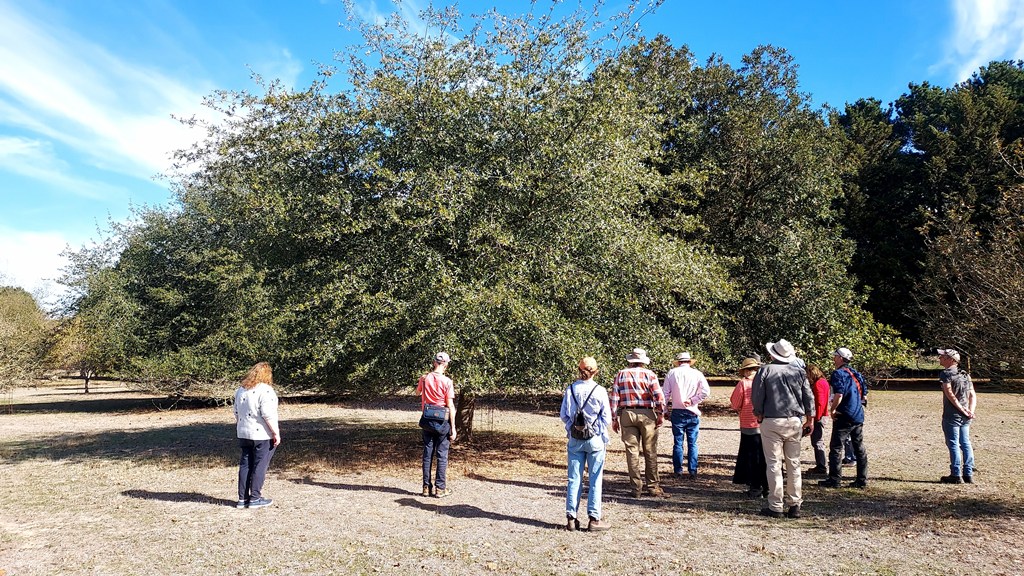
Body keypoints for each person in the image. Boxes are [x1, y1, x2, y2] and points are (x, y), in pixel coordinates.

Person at [751, 339, 814, 519]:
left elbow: (757, 395)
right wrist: (810, 418)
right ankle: (795, 504)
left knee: (773, 464)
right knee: (793, 463)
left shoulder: (765, 370)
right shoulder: (799, 372)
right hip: (794, 420)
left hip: (772, 420)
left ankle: (775, 505)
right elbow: (808, 396)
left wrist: (759, 413)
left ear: (772, 354)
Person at [560, 357, 612, 532]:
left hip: (575, 438)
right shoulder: (600, 390)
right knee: (595, 478)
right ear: (596, 372)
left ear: (578, 370)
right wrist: (595, 428)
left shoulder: (570, 390)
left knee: (574, 478)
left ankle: (571, 518)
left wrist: (573, 428)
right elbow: (607, 418)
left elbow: (564, 415)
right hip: (595, 438)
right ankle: (594, 518)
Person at [610, 347, 666, 498]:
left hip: (627, 413)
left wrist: (614, 418)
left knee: (631, 452)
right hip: (647, 413)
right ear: (643, 361)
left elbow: (615, 397)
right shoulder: (650, 374)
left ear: (631, 360)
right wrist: (661, 414)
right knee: (650, 451)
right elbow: (659, 396)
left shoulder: (621, 374)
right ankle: (653, 486)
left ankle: (636, 489)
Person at [819, 347, 868, 489]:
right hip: (857, 415)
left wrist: (832, 409)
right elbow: (864, 395)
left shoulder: (838, 374)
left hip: (844, 415)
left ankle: (834, 479)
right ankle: (861, 479)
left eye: (835, 356)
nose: (833, 358)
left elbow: (839, 394)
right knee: (859, 447)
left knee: (836, 447)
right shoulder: (855, 373)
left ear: (840, 358)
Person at [234, 361, 281, 509]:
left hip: (244, 432)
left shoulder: (240, 390)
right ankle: (255, 498)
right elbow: (268, 414)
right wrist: (276, 433)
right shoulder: (266, 390)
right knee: (260, 465)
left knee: (245, 464)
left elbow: (236, 412)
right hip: (261, 434)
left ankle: (242, 499)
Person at [662, 351, 711, 479]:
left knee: (678, 442)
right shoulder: (697, 374)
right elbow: (706, 391)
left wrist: (664, 410)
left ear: (678, 362)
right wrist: (693, 400)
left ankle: (678, 470)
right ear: (689, 362)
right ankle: (692, 470)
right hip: (692, 411)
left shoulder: (672, 373)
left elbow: (665, 394)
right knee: (692, 443)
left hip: (677, 410)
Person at [418, 351, 458, 498]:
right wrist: (453, 428)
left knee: (427, 454)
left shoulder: (424, 378)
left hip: (427, 419)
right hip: (442, 421)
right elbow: (451, 406)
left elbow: (418, 393)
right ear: (446, 365)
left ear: (434, 362)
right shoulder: (447, 381)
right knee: (442, 455)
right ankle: (440, 489)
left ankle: (426, 487)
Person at [937, 348, 976, 484]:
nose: (939, 358)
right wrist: (970, 411)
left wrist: (963, 410)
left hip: (952, 415)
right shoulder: (965, 374)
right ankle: (968, 473)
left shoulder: (946, 374)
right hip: (965, 416)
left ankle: (955, 474)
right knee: (965, 443)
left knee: (953, 443)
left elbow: (950, 395)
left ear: (951, 360)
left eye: (943, 356)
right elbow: (972, 395)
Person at [730, 357, 768, 497]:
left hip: (749, 425)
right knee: (765, 457)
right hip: (765, 424)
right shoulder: (765, 382)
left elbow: (734, 403)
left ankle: (755, 487)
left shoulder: (743, 384)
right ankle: (767, 486)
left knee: (751, 457)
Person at [806, 364, 830, 474]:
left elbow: (819, 402)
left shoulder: (818, 384)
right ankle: (821, 465)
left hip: (819, 416)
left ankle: (821, 466)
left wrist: (816, 417)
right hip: (822, 415)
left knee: (817, 441)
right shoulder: (824, 382)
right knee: (817, 441)